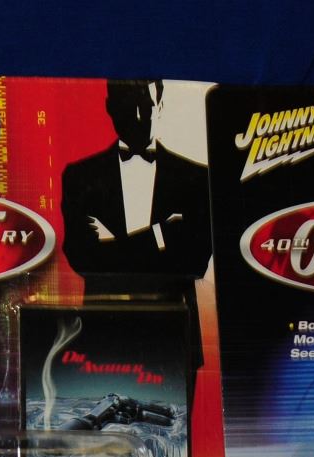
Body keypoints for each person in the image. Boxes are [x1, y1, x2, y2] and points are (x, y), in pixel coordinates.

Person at [59, 79, 212, 391]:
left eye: (147, 106)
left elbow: (194, 262)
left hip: (173, 337)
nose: (140, 117)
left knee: (167, 423)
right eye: (130, 106)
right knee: (106, 420)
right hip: (105, 334)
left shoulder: (197, 179)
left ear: (161, 105)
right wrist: (161, 236)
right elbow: (81, 258)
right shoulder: (80, 177)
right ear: (110, 108)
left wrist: (113, 249)